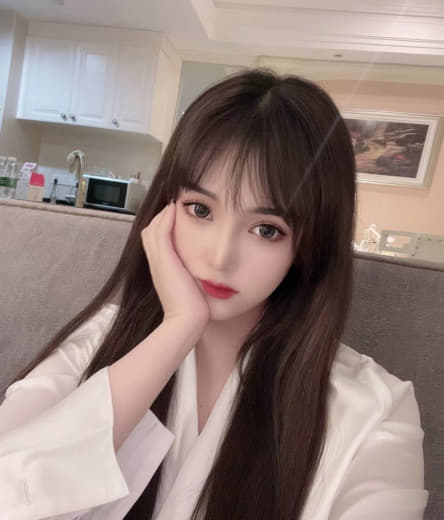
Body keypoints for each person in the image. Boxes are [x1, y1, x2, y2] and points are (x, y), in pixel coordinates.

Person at [0, 68, 428, 520]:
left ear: (309, 246)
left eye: (267, 229)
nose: (221, 257)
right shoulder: (98, 342)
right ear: (164, 210)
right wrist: (177, 329)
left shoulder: (374, 413)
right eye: (200, 209)